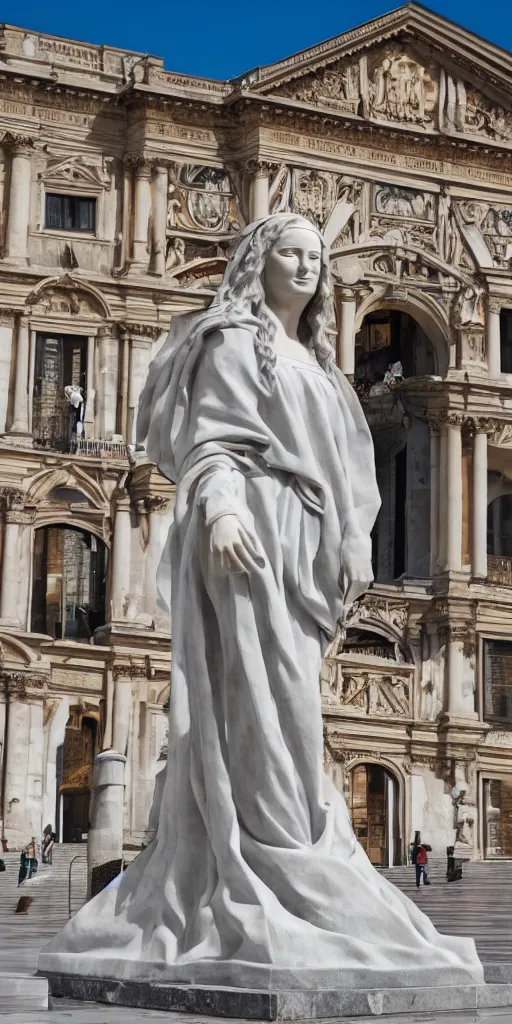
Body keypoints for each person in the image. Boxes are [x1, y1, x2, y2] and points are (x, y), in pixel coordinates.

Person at [40, 214, 483, 992]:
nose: (307, 266)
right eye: (290, 252)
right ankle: (274, 850)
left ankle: (294, 854)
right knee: (260, 696)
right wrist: (222, 509)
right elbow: (212, 441)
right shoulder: (233, 341)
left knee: (292, 704)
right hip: (246, 531)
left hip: (303, 546)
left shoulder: (320, 369)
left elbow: (352, 471)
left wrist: (352, 542)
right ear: (258, 261)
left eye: (317, 255)